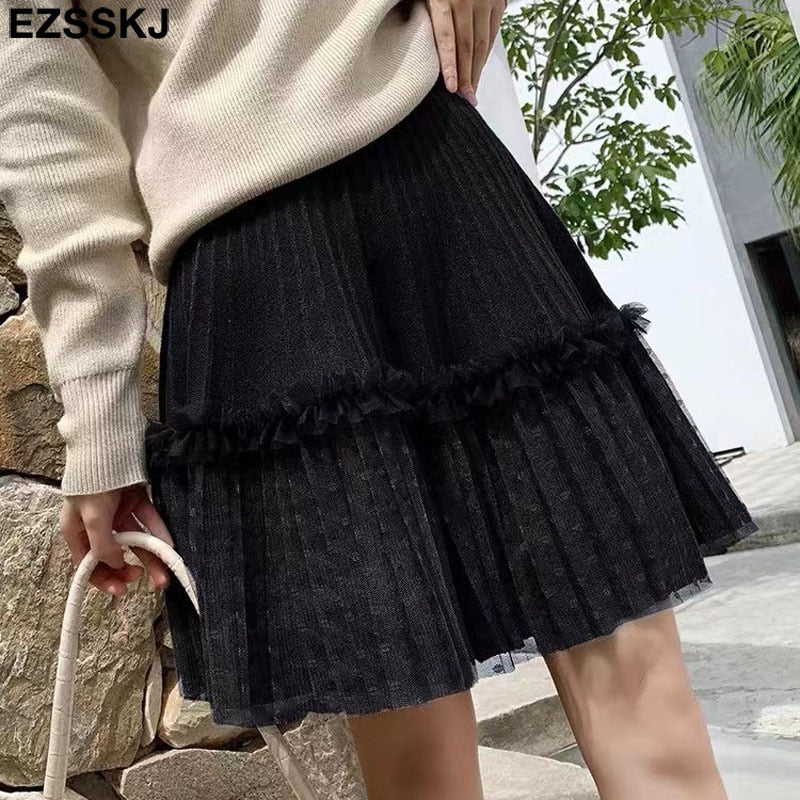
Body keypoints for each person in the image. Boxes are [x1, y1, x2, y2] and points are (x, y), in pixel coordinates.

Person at [0, 2, 757, 798]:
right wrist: (99, 426)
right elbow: (48, 125)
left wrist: (100, 427)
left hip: (414, 187)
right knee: (566, 709)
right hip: (293, 266)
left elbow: (51, 138)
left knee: (599, 701)